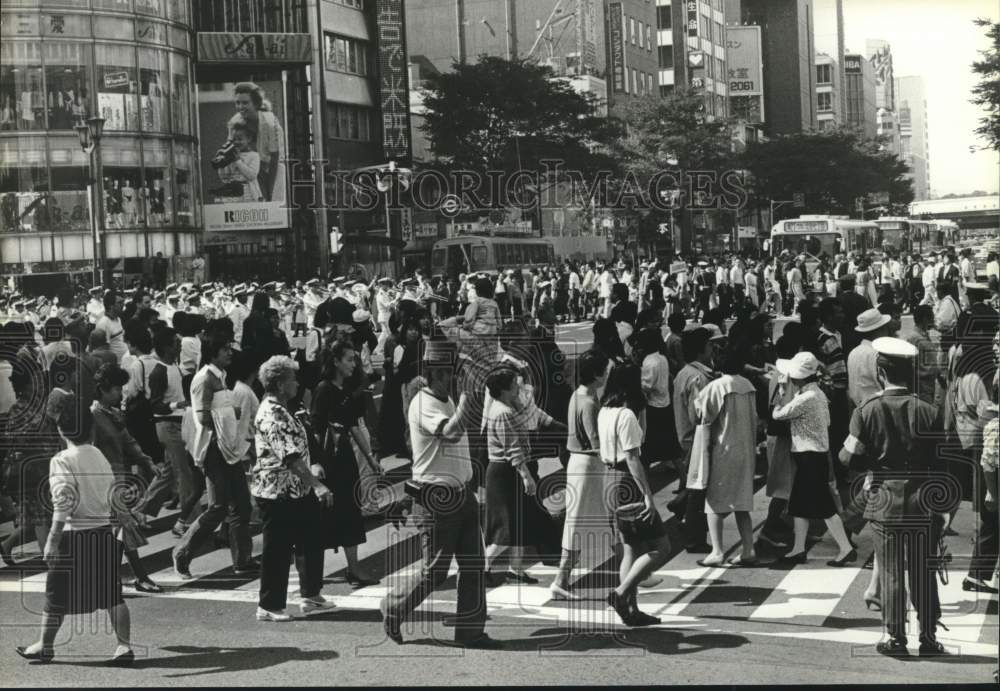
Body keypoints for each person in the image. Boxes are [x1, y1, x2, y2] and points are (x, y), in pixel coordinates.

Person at [381, 339, 501, 649]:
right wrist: (467, 399)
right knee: (434, 572)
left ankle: (471, 632)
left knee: (474, 567)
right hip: (436, 500)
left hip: (461, 494)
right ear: (438, 372)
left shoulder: (447, 399)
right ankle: (394, 608)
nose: (459, 377)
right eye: (454, 371)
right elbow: (450, 432)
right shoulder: (424, 403)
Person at [837, 337, 950, 657]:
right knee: (922, 571)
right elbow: (942, 464)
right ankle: (928, 637)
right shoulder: (929, 411)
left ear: (880, 372)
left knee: (889, 570)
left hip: (884, 500)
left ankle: (896, 638)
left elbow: (847, 456)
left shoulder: (867, 410)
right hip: (923, 502)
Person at [15, 397, 134, 665]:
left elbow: (64, 500)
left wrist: (52, 540)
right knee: (112, 593)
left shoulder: (62, 459)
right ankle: (124, 646)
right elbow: (113, 489)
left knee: (56, 593)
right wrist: (123, 517)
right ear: (91, 430)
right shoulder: (99, 455)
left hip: (73, 534)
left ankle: (45, 646)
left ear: (60, 430)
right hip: (103, 531)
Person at [252, 355, 335, 621]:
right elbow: (289, 457)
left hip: (297, 488)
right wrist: (318, 485)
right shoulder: (271, 414)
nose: (297, 383)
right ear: (279, 384)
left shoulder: (285, 407)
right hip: (276, 491)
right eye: (292, 379)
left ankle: (311, 595)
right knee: (277, 548)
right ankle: (269, 605)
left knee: (311, 539)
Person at [173, 335, 255, 578]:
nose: (230, 353)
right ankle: (182, 552)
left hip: (227, 448)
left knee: (241, 504)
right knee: (218, 506)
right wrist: (232, 411)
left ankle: (243, 560)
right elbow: (203, 417)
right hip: (212, 450)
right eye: (224, 349)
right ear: (213, 353)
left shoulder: (220, 376)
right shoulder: (204, 379)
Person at [598, 363, 670, 626]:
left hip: (609, 479)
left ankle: (631, 609)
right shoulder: (627, 415)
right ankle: (621, 593)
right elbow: (632, 457)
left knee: (631, 547)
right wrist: (648, 494)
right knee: (661, 547)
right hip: (628, 482)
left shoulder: (605, 410)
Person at [771, 352, 856, 566]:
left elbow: (778, 415)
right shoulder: (817, 394)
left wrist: (781, 392)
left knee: (824, 506)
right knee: (799, 504)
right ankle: (798, 548)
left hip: (809, 456)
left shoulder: (806, 397)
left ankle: (845, 548)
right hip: (813, 455)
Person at [311, 339, 381, 586]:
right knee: (324, 517)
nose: (354, 363)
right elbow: (316, 432)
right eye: (349, 359)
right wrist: (315, 464)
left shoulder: (345, 389)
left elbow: (352, 426)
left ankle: (354, 568)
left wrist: (371, 460)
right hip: (328, 463)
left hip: (346, 460)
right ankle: (312, 575)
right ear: (336, 362)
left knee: (351, 513)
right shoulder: (323, 389)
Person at [90, 363, 162, 594]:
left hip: (119, 479)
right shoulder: (92, 416)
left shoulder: (113, 414)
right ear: (103, 389)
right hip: (104, 481)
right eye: (117, 389)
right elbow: (89, 452)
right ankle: (136, 578)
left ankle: (113, 580)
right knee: (121, 529)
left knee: (120, 530)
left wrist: (147, 462)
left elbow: (129, 442)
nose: (121, 393)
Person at [482, 366, 555, 586]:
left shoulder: (507, 406)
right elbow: (512, 448)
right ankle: (482, 565)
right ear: (504, 389)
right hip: (505, 473)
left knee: (520, 523)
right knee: (507, 526)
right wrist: (526, 476)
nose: (518, 388)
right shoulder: (502, 412)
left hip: (508, 470)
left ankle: (516, 568)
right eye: (514, 385)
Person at [549, 349, 611, 600]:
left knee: (605, 521)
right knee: (579, 524)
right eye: (605, 370)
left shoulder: (580, 394)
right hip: (588, 464)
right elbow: (594, 440)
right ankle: (560, 579)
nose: (608, 373)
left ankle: (632, 571)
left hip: (582, 464)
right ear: (596, 375)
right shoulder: (588, 402)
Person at [692, 345, 758, 567]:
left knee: (715, 502)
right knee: (742, 502)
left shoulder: (717, 386)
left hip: (724, 448)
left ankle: (717, 551)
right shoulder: (748, 386)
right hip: (746, 448)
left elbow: (702, 414)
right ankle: (748, 548)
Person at [847, 309, 892, 409]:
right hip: (876, 407)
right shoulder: (876, 354)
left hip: (858, 406)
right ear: (880, 329)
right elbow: (883, 385)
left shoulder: (853, 352)